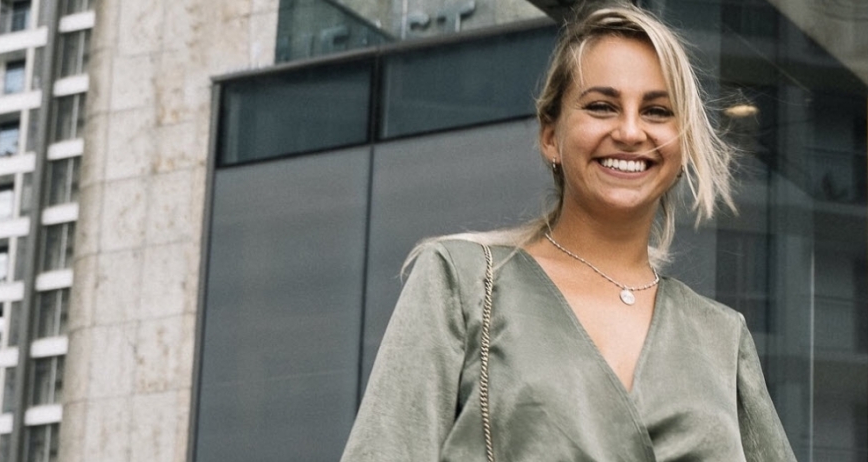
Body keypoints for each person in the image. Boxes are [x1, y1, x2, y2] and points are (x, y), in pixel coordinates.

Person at [339, 5, 795, 461]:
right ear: (550, 135)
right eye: (602, 106)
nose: (631, 131)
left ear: (682, 143)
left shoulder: (721, 338)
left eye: (657, 111)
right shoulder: (464, 282)